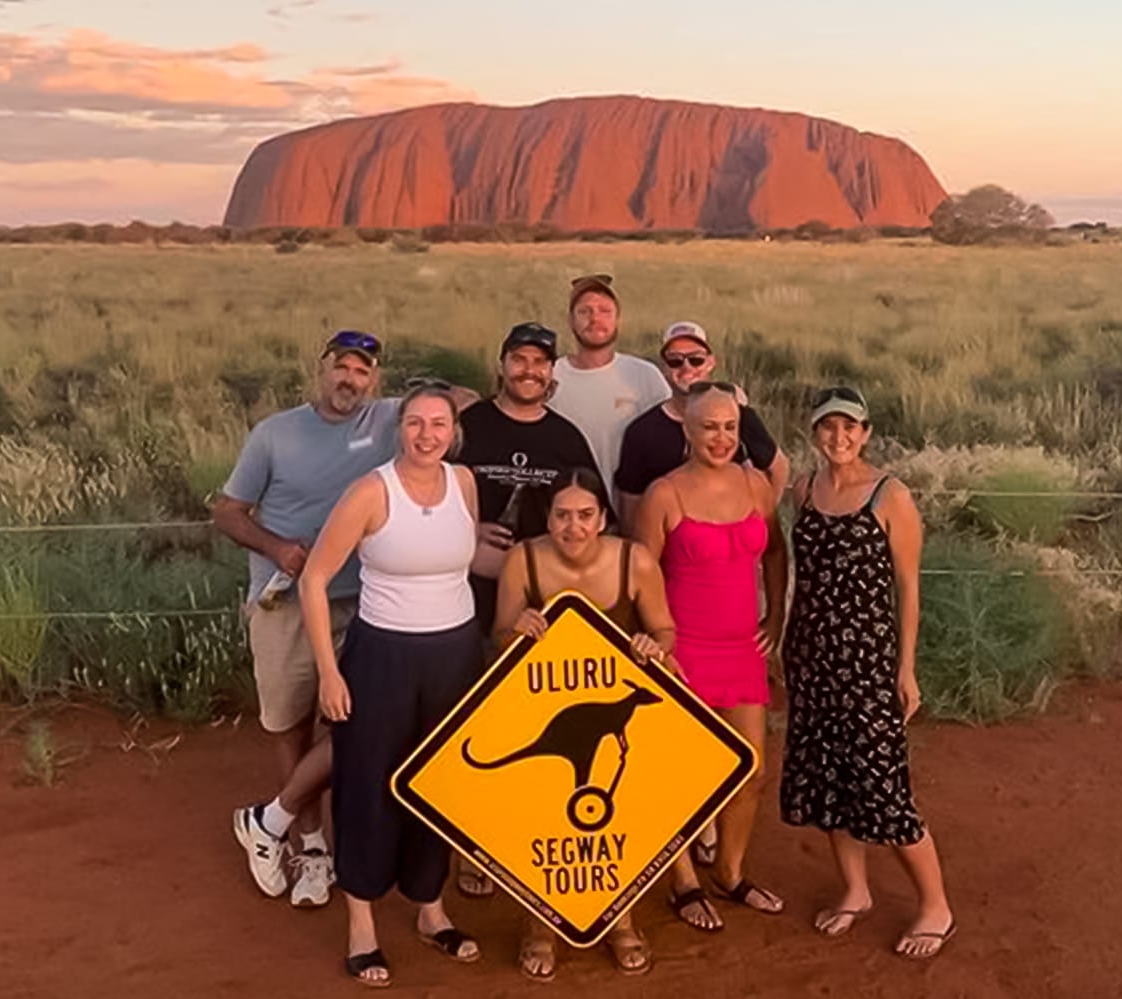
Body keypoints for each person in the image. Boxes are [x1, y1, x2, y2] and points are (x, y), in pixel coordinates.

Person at [299, 384, 484, 988]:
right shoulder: (371, 492)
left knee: (442, 782)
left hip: (455, 653)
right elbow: (314, 579)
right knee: (367, 782)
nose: (427, 435)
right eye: (414, 423)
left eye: (438, 424)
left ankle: (430, 907)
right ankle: (362, 924)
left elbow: (463, 560)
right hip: (382, 656)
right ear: (397, 429)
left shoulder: (464, 484)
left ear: (453, 430)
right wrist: (330, 671)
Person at [216, 330, 396, 909]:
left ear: (376, 381)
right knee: (292, 722)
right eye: (341, 368)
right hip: (287, 601)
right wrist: (275, 547)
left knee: (356, 721)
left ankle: (269, 820)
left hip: (363, 600)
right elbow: (228, 511)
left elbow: (456, 405)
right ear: (321, 370)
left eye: (362, 371)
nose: (350, 380)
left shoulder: (391, 421)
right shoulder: (275, 433)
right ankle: (312, 848)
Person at [780, 386, 955, 958]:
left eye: (850, 428)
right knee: (830, 778)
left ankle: (935, 905)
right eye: (828, 428)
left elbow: (909, 589)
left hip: (869, 662)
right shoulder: (804, 489)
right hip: (812, 656)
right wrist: (786, 640)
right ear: (815, 433)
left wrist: (905, 669)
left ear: (867, 432)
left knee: (883, 786)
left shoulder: (890, 495)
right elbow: (797, 574)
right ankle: (855, 890)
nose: (839, 438)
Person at [492, 467, 675, 981]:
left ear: (603, 519)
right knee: (545, 819)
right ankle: (540, 927)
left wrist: (652, 645)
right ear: (547, 517)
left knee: (620, 814)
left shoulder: (632, 560)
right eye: (562, 515)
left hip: (611, 719)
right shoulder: (522, 560)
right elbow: (498, 640)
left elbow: (664, 628)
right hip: (549, 715)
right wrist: (517, 630)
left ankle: (620, 921)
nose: (573, 527)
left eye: (585, 515)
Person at [633, 383, 789, 933]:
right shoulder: (664, 494)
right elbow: (640, 575)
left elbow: (774, 549)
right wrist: (654, 644)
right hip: (684, 650)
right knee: (683, 775)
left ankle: (729, 869)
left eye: (729, 426)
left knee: (751, 770)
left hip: (742, 646)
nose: (720, 437)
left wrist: (775, 617)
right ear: (687, 430)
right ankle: (684, 882)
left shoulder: (755, 485)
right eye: (708, 427)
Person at [457, 321, 599, 647]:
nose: (529, 371)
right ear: (502, 364)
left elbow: (596, 520)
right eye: (519, 359)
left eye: (540, 362)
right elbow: (425, 497)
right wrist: (470, 528)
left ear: (551, 370)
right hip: (465, 604)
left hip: (543, 608)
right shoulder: (467, 426)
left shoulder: (567, 438)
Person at [613, 321, 791, 530]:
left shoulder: (738, 415)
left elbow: (778, 467)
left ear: (711, 363)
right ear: (663, 368)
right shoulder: (641, 431)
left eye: (696, 359)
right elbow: (629, 505)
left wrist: (761, 522)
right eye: (675, 361)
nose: (687, 367)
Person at [549, 274, 671, 501]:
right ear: (570, 320)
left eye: (605, 311)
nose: (595, 319)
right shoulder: (549, 376)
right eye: (584, 311)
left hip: (633, 509)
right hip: (570, 518)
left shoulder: (644, 375)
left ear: (618, 320)